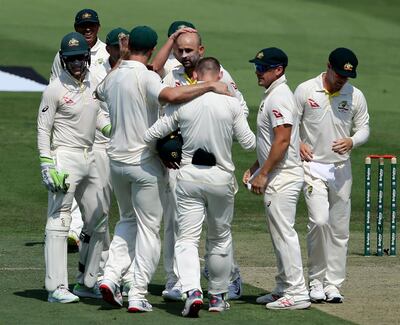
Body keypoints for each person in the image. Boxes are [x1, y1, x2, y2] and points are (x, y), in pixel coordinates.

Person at [95, 26, 231, 312]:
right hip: (143, 163)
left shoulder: (114, 75)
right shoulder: (146, 77)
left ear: (127, 45)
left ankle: (109, 276)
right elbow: (169, 95)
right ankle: (138, 294)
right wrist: (208, 85)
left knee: (126, 222)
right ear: (152, 46)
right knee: (148, 230)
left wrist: (121, 57)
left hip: (116, 163)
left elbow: (101, 90)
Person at [144, 57, 256, 317]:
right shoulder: (231, 104)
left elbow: (151, 135)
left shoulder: (184, 102)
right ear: (219, 76)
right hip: (220, 178)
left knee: (186, 239)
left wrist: (162, 154)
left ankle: (192, 291)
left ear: (196, 77)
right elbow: (249, 144)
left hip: (188, 177)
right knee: (219, 239)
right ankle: (217, 296)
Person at [160, 31, 248, 302]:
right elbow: (166, 102)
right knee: (175, 224)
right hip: (178, 161)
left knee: (218, 229)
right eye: (179, 51)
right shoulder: (172, 74)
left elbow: (239, 108)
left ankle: (228, 278)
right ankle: (178, 280)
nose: (184, 56)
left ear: (200, 49)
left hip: (214, 162)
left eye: (189, 51)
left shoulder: (221, 74)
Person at [37, 32, 111, 303]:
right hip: (64, 159)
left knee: (99, 217)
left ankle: (87, 281)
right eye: (71, 59)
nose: (77, 63)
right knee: (59, 220)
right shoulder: (54, 89)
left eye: (81, 58)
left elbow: (98, 111)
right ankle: (56, 287)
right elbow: (43, 130)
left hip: (90, 155)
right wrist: (47, 164)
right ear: (63, 60)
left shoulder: (92, 82)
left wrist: (110, 127)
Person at [294, 47, 370, 303]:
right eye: (339, 73)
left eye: (347, 76)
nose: (342, 79)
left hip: (341, 169)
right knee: (319, 220)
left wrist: (352, 140)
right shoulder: (306, 90)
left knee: (339, 228)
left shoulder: (354, 94)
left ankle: (333, 285)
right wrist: (298, 143)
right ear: (328, 66)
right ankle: (315, 281)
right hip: (313, 166)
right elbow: (290, 124)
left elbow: (364, 127)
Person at [243, 47, 311, 310]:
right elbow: (271, 141)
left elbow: (283, 141)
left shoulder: (280, 97)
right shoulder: (273, 94)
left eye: (263, 68)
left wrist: (265, 174)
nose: (257, 72)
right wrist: (256, 166)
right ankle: (283, 287)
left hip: (284, 176)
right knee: (278, 233)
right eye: (257, 67)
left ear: (278, 70)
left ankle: (297, 292)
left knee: (284, 234)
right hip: (277, 173)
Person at [49, 8, 110, 249]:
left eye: (92, 25)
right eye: (83, 26)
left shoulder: (108, 52)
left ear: (98, 27)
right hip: (72, 126)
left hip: (100, 125)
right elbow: (56, 87)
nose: (88, 29)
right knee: (71, 178)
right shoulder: (62, 54)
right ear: (76, 27)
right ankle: (71, 231)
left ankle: (91, 232)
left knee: (97, 186)